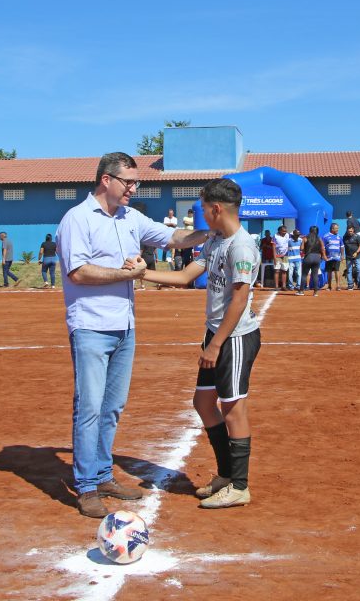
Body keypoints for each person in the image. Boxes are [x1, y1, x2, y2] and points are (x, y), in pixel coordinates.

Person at [55, 151, 207, 518]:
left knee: (112, 407)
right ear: (106, 180)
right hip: (91, 325)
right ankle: (86, 486)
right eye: (129, 182)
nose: (134, 188)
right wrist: (128, 275)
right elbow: (78, 273)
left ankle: (103, 474)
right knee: (89, 407)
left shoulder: (130, 218)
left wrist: (215, 229)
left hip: (125, 326)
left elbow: (174, 238)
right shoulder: (77, 219)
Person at [136, 178, 260, 508]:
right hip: (216, 334)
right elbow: (185, 277)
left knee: (233, 409)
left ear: (216, 209)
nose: (201, 214)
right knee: (204, 404)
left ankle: (240, 485)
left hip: (233, 338)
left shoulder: (241, 246)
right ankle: (225, 474)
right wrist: (141, 274)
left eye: (204, 208)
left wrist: (216, 344)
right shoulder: (216, 240)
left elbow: (239, 299)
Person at [300, 226, 324, 296]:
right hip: (317, 257)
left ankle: (301, 291)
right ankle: (315, 292)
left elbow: (301, 248)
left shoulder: (305, 238)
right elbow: (322, 248)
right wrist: (323, 256)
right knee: (315, 275)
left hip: (308, 257)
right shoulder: (319, 238)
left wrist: (303, 243)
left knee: (304, 274)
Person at [321, 222, 344, 291]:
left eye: (338, 228)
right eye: (336, 228)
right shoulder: (325, 236)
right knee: (329, 272)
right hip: (329, 258)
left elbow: (342, 247)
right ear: (332, 228)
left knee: (337, 271)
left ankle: (338, 286)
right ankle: (329, 286)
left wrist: (342, 255)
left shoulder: (339, 237)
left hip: (337, 257)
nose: (337, 230)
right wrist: (324, 256)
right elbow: (323, 248)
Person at [343, 224, 360, 290]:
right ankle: (350, 285)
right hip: (348, 256)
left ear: (353, 230)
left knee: (359, 269)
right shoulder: (345, 237)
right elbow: (343, 246)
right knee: (349, 271)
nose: (350, 232)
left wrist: (356, 252)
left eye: (351, 231)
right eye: (349, 231)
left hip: (356, 256)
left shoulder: (357, 237)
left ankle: (359, 284)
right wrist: (342, 255)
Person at [272, 225, 290, 290]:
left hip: (285, 256)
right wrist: (274, 257)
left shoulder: (287, 235)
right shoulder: (275, 236)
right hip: (277, 256)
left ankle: (284, 286)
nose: (285, 232)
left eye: (285, 231)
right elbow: (273, 247)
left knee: (284, 271)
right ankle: (276, 286)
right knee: (277, 271)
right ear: (279, 231)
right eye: (283, 231)